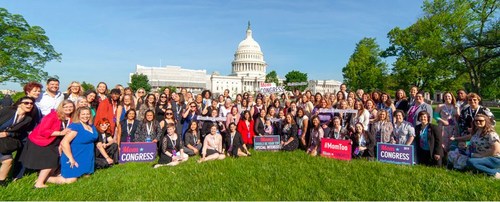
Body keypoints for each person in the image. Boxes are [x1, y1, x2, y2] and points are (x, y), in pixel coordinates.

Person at [20, 100, 74, 188]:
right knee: (49, 162)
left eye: (71, 107)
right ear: (61, 107)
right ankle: (39, 184)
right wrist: (60, 133)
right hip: (41, 140)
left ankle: (45, 177)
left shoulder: (71, 118)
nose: (68, 109)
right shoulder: (53, 115)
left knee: (55, 160)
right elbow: (43, 131)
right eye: (66, 107)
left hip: (55, 142)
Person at [49, 107, 98, 184]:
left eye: (87, 114)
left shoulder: (92, 126)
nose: (85, 116)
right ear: (78, 115)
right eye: (83, 114)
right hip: (74, 155)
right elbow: (64, 142)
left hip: (87, 156)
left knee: (86, 177)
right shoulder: (75, 126)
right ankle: (46, 178)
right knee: (70, 180)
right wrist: (71, 158)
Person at [0, 97, 34, 187]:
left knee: (8, 160)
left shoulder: (28, 119)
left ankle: (1, 182)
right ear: (19, 103)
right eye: (26, 103)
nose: (29, 105)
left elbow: (19, 134)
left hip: (4, 141)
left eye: (31, 103)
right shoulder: (7, 111)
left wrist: (8, 134)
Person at [466, 114, 500, 179]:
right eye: (476, 120)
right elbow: (469, 140)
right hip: (479, 157)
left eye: (480, 120)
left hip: (494, 158)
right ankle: (480, 170)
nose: (478, 122)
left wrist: (481, 156)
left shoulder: (491, 134)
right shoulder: (476, 132)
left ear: (486, 121)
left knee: (470, 162)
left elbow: (496, 150)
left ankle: (495, 173)